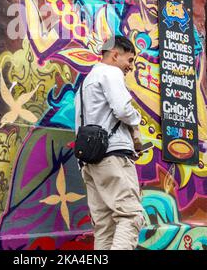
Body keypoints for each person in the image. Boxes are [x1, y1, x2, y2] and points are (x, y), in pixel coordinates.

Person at [75, 35, 145, 250]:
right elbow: (123, 110)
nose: (130, 67)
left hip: (90, 162)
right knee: (131, 216)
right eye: (130, 60)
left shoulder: (86, 83)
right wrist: (137, 123)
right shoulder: (111, 72)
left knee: (104, 226)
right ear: (115, 55)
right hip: (113, 156)